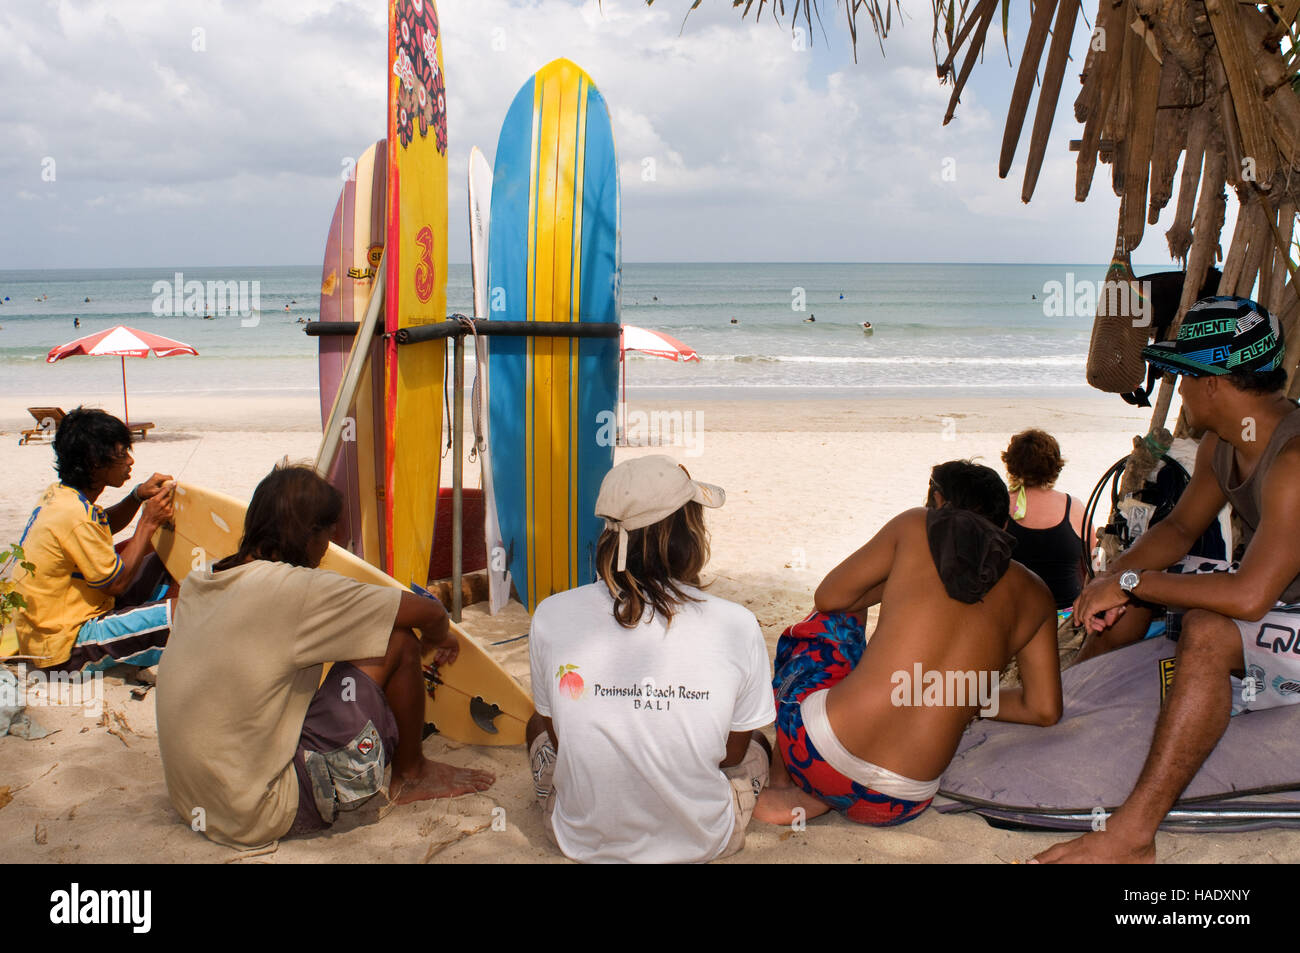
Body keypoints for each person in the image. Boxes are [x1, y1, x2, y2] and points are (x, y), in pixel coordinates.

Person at [1036, 296, 1300, 864]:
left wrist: (1133, 582)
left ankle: (1132, 837)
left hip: (1276, 602)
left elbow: (1249, 598)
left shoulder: (1294, 462)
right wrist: (1113, 578)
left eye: (1182, 376)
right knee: (1136, 584)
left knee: (1205, 627)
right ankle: (1070, 709)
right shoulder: (1222, 445)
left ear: (1211, 384)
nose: (1177, 389)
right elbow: (1180, 528)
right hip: (1279, 596)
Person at [156, 465, 494, 849]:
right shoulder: (297, 589)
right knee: (396, 640)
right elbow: (429, 613)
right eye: (328, 535)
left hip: (192, 800)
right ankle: (413, 772)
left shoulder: (202, 580)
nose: (329, 547)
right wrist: (438, 639)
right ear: (309, 535)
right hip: (257, 811)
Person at [754, 460, 1062, 828]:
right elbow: (1043, 710)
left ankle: (785, 781)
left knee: (835, 619)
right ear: (1005, 525)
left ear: (937, 500)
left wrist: (902, 578)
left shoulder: (916, 523)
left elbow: (828, 597)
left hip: (814, 754)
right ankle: (825, 795)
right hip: (898, 802)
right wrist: (960, 698)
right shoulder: (1037, 594)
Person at [526, 456, 775, 863]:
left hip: (582, 840)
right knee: (758, 743)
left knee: (537, 721)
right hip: (703, 842)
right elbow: (728, 757)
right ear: (688, 536)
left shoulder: (551, 614)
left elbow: (559, 738)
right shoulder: (738, 624)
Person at [13, 409, 176, 673]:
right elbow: (116, 584)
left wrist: (136, 497)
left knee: (162, 555)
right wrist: (147, 523)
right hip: (65, 648)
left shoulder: (61, 497)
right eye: (122, 453)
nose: (131, 461)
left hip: (46, 635)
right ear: (94, 461)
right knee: (188, 612)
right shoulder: (73, 515)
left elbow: (103, 524)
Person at [1002, 429, 1094, 621]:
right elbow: (1092, 563)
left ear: (1011, 465)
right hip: (1066, 618)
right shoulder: (1074, 507)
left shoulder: (1000, 506)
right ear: (1055, 466)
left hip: (1014, 616)